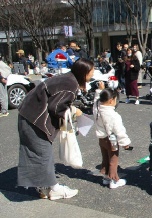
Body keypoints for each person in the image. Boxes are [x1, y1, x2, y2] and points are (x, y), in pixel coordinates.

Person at [17, 58, 95, 200]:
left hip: (29, 114)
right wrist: (73, 110)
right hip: (35, 119)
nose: (93, 73)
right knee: (43, 154)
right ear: (84, 73)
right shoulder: (70, 83)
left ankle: (43, 187)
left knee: (38, 153)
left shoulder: (68, 78)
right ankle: (53, 189)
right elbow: (57, 107)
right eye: (92, 71)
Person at [94, 82, 132, 189]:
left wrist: (100, 91)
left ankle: (106, 177)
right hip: (112, 140)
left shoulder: (97, 108)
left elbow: (96, 100)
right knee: (113, 161)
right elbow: (119, 131)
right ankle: (114, 180)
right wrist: (125, 143)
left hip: (101, 139)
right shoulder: (114, 115)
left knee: (105, 158)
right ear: (111, 100)